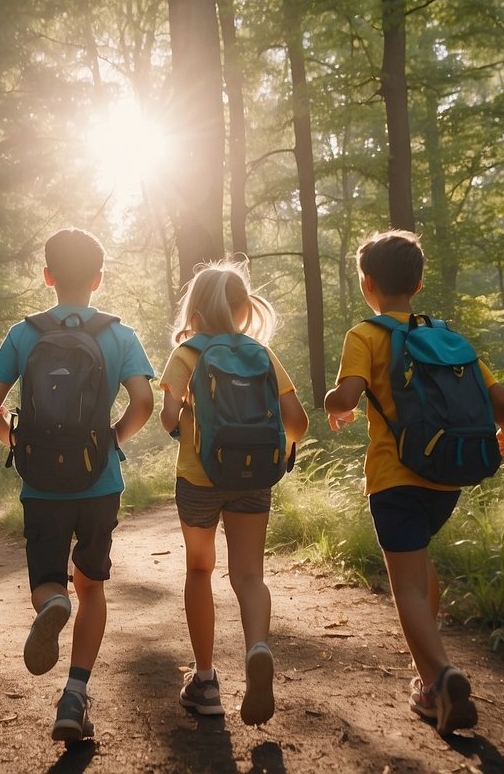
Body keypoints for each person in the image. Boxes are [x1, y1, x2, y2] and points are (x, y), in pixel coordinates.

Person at [323, 229, 504, 735]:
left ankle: (439, 679)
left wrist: (334, 406)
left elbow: (346, 397)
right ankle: (428, 672)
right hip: (448, 476)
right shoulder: (447, 335)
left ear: (367, 284)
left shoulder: (365, 335)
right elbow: (502, 401)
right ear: (418, 280)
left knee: (407, 585)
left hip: (396, 478)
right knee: (423, 565)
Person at [0, 228, 155, 743]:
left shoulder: (24, 333)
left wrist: (17, 444)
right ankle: (75, 693)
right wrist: (111, 441)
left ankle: (51, 602)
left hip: (42, 486)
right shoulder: (118, 335)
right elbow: (142, 403)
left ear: (48, 276)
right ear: (98, 279)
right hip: (100, 483)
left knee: (50, 581)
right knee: (93, 585)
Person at [158, 261, 308, 725]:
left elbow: (166, 421)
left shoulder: (187, 353)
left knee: (200, 570)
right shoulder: (262, 354)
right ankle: (257, 648)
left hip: (200, 478)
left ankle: (205, 681)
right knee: (249, 576)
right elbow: (297, 422)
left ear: (196, 309)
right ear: (243, 309)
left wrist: (188, 408)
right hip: (254, 477)